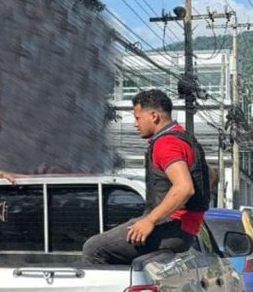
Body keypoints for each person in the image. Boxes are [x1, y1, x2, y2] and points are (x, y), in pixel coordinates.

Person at [83, 89, 210, 264]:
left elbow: (184, 188)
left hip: (173, 227)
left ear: (154, 116)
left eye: (137, 118)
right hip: (185, 229)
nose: (135, 124)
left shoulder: (166, 143)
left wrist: (149, 220)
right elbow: (207, 176)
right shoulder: (183, 138)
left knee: (94, 248)